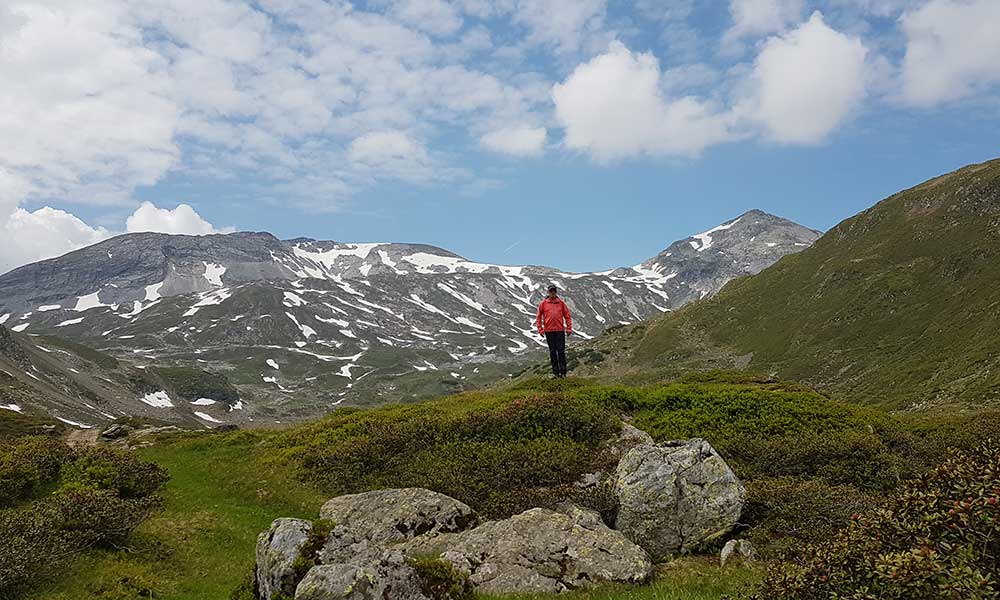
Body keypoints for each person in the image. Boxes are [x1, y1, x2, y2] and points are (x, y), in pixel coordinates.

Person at [536, 285, 573, 378]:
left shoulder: (561, 303)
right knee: (553, 352)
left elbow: (567, 316)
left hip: (560, 330)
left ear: (556, 292)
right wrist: (540, 329)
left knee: (561, 352)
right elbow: (538, 317)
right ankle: (556, 373)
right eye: (551, 291)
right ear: (548, 292)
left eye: (554, 291)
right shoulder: (543, 304)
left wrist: (569, 328)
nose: (552, 292)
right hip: (549, 331)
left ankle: (563, 373)